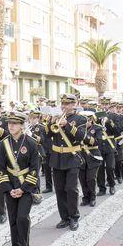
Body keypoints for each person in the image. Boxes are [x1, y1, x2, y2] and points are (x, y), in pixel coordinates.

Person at [0, 111, 39, 246]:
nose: (11, 126)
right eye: (9, 123)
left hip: (26, 187)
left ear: (22, 125)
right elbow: (0, 168)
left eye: (15, 123)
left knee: (22, 218)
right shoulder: (4, 143)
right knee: (13, 220)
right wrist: (8, 188)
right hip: (10, 187)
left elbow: (34, 169)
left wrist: (23, 189)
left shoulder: (31, 143)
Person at [48, 94, 86, 231]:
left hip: (72, 157)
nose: (64, 106)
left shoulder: (80, 119)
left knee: (71, 189)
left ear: (74, 104)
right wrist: (51, 122)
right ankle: (64, 218)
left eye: (67, 104)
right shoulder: (56, 117)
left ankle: (74, 217)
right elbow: (47, 135)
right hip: (57, 158)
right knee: (59, 190)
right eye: (62, 103)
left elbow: (81, 136)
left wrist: (67, 125)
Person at [78, 110, 103, 207]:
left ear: (91, 119)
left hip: (93, 156)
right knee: (82, 179)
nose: (85, 122)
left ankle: (92, 197)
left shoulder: (97, 128)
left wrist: (85, 136)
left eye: (87, 120)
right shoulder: (79, 128)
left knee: (91, 179)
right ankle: (85, 197)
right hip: (81, 156)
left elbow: (98, 142)